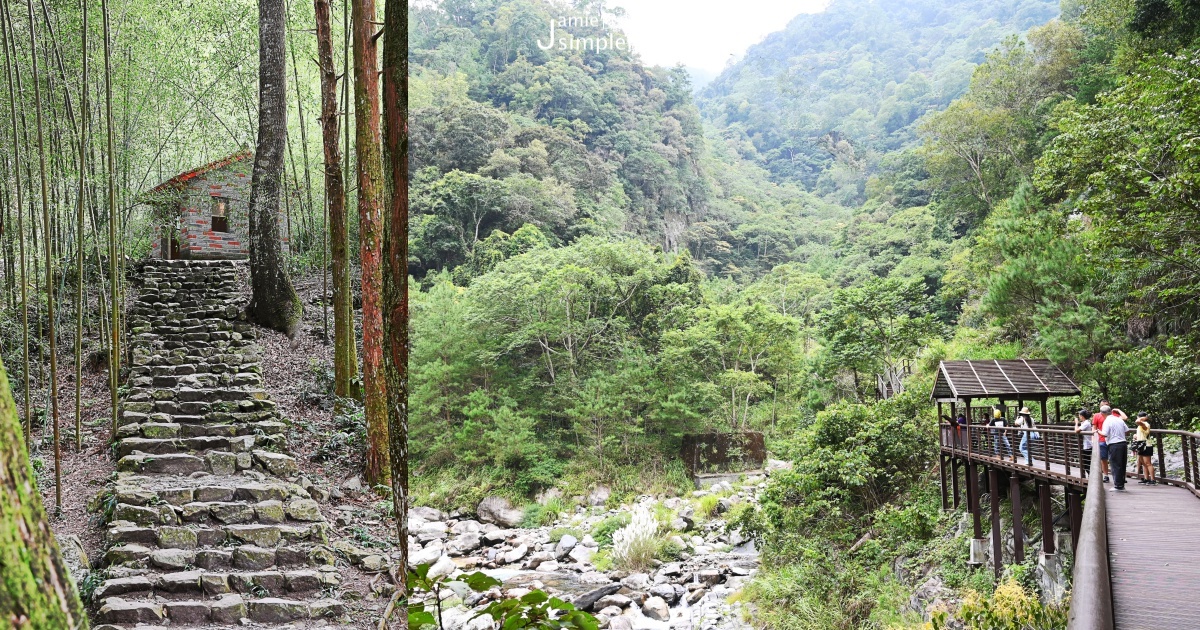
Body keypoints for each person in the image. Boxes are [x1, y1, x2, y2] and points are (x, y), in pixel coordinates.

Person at [1102, 406, 1130, 491]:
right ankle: (1121, 484)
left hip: (1114, 444)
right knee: (1122, 464)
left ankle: (1118, 486)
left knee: (1115, 465)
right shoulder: (1118, 419)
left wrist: (1097, 431)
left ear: (1102, 414)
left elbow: (1105, 434)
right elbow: (1127, 432)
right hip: (1123, 444)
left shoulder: (1107, 421)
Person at [1134, 412, 1157, 485]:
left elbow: (1137, 421)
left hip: (1146, 445)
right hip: (1140, 445)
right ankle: (1146, 478)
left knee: (1148, 463)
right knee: (1143, 463)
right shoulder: (1140, 425)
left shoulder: (1144, 424)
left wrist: (1144, 418)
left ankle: (1153, 480)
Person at [1095, 403, 1112, 482]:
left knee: (1114, 458)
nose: (1104, 406)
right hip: (1102, 440)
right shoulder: (1097, 416)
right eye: (1102, 405)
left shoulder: (1113, 416)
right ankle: (1106, 475)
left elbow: (1124, 418)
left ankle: (1118, 475)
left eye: (1106, 405)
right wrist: (1094, 440)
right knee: (1103, 458)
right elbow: (1094, 428)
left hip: (1112, 440)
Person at [1075, 408, 1093, 477]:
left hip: (1087, 445)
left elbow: (1076, 430)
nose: (1079, 417)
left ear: (1082, 416)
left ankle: (1091, 476)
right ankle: (1090, 475)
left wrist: (1076, 423)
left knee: (1086, 462)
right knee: (1086, 461)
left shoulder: (1086, 423)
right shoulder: (1086, 423)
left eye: (1079, 415)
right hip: (1087, 445)